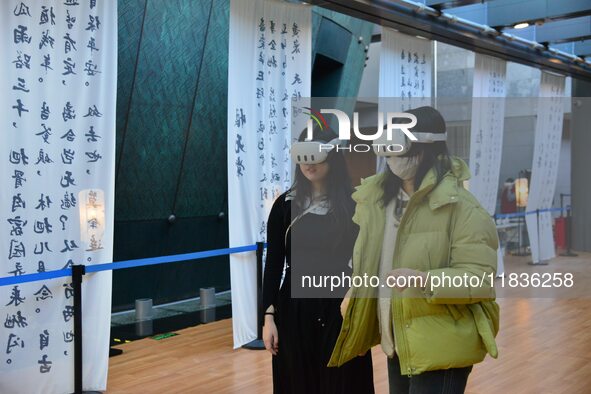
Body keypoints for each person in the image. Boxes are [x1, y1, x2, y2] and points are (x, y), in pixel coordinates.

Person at [328, 106, 500, 394]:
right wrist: (356, 306)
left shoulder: (463, 208)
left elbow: (479, 279)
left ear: (428, 147)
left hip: (441, 345)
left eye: (402, 149)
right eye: (391, 150)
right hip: (398, 340)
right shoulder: (379, 204)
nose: (395, 159)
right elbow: (370, 267)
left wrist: (425, 279)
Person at [262, 127, 375, 394]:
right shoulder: (284, 206)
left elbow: (366, 262)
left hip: (341, 307)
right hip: (294, 311)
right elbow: (274, 264)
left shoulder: (355, 204)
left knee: (344, 383)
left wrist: (363, 321)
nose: (308, 164)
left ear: (333, 155)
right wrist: (268, 318)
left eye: (315, 155)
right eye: (302, 156)